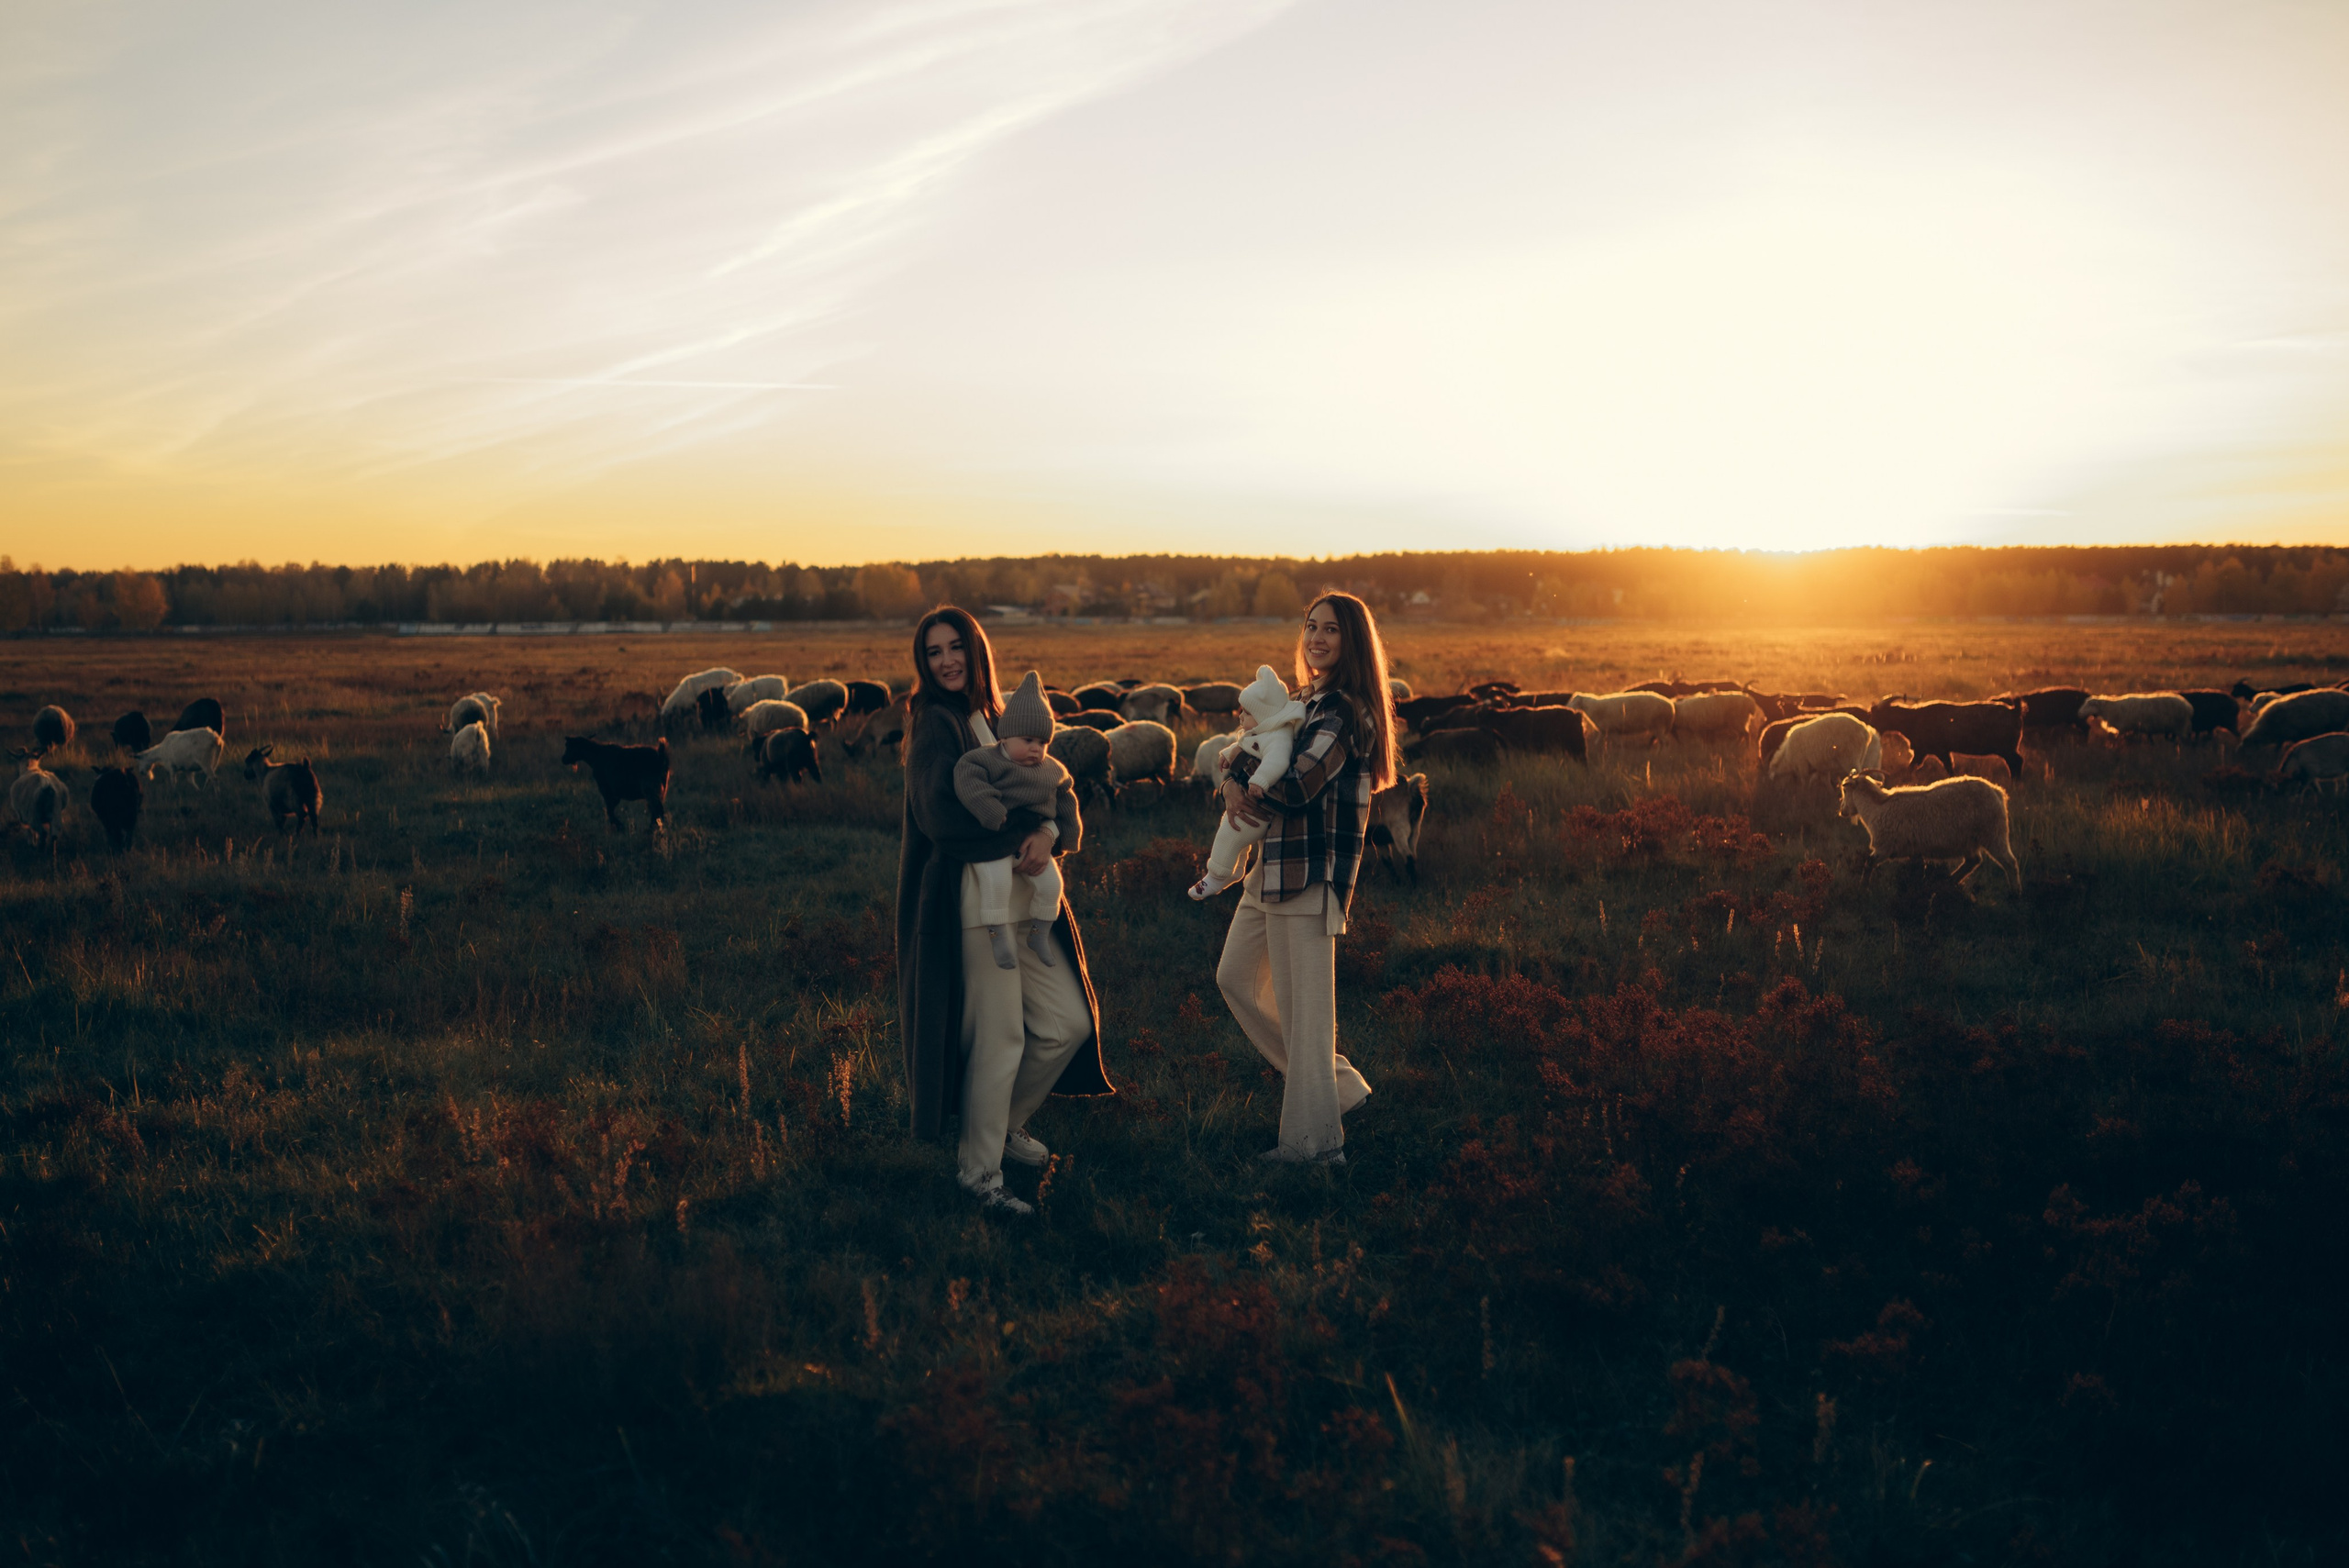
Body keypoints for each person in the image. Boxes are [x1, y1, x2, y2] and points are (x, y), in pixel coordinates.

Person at [896, 607, 1112, 1215]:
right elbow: (943, 815)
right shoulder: (935, 725)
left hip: (1027, 904)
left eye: (955, 646)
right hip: (974, 906)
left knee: (1066, 1022)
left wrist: (1050, 835)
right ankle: (978, 1174)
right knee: (1000, 1038)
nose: (946, 660)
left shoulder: (997, 717)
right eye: (933, 651)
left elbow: (1049, 788)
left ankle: (1000, 1125)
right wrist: (1024, 834)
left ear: (976, 650)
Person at [1213, 593, 1397, 1164]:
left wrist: (1244, 779)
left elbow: (1298, 784)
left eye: (1332, 631)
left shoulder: (1344, 711)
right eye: (1310, 627)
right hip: (1270, 869)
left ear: (1353, 642)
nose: (1316, 638)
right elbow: (1247, 754)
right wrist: (1230, 782)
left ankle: (1314, 1148)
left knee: (1304, 1012)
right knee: (1235, 978)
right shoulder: (1304, 702)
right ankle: (1332, 1088)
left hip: (1311, 874)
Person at [953, 672, 1079, 969]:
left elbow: (1066, 799)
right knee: (995, 880)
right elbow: (967, 778)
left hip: (1032, 836)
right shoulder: (985, 758)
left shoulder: (1052, 769)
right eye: (1028, 740)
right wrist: (991, 811)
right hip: (995, 838)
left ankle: (1040, 933)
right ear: (1006, 736)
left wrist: (1067, 833)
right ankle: (998, 937)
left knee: (1052, 885)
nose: (1036, 748)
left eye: (1043, 742)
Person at [1188, 663, 1309, 900]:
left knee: (1229, 834)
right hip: (1250, 803)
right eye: (1240, 711)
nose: (1241, 717)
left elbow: (1277, 760)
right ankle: (1234, 871)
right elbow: (1243, 745)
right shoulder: (1262, 731)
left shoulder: (1279, 737)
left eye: (1247, 712)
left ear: (1264, 715)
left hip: (1259, 807)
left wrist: (1260, 781)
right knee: (1236, 834)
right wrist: (1227, 754)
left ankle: (1215, 876)